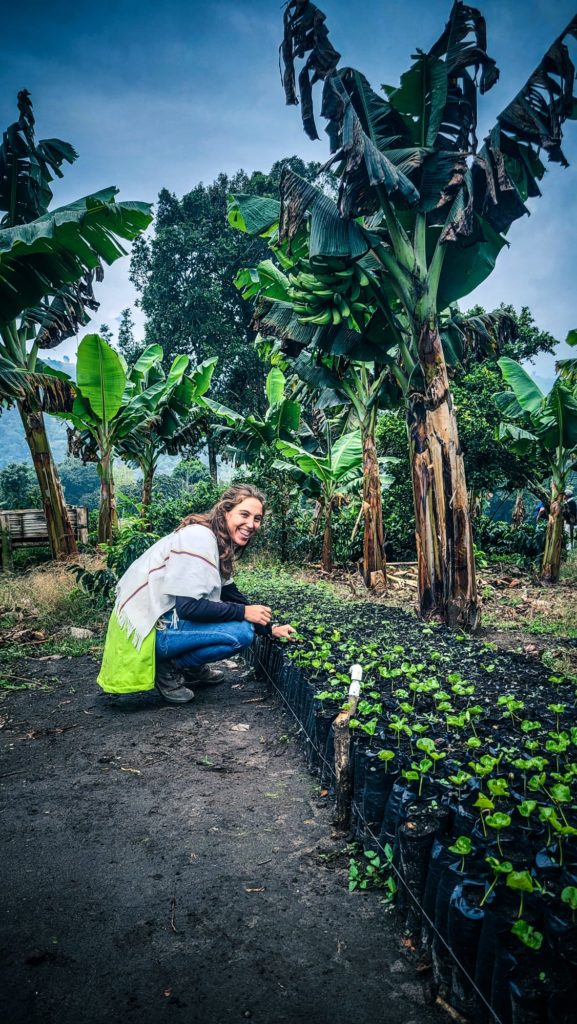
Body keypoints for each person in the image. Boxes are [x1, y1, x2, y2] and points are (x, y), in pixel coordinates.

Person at [97, 484, 296, 704]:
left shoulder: (217, 541)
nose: (251, 524)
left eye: (257, 518)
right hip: (148, 632)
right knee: (241, 632)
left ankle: (190, 668)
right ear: (225, 511)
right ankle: (169, 667)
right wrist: (244, 612)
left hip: (158, 621)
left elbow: (231, 593)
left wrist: (269, 628)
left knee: (243, 623)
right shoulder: (199, 538)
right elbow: (189, 608)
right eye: (244, 514)